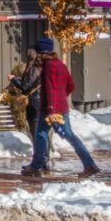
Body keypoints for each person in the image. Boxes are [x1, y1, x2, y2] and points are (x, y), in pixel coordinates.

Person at [22, 38, 100, 179]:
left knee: (69, 136)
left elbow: (51, 89)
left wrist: (52, 109)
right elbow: (71, 86)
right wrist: (61, 98)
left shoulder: (48, 67)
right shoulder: (60, 64)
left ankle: (89, 165)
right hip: (58, 108)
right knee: (40, 134)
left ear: (40, 53)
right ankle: (36, 165)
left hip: (52, 110)